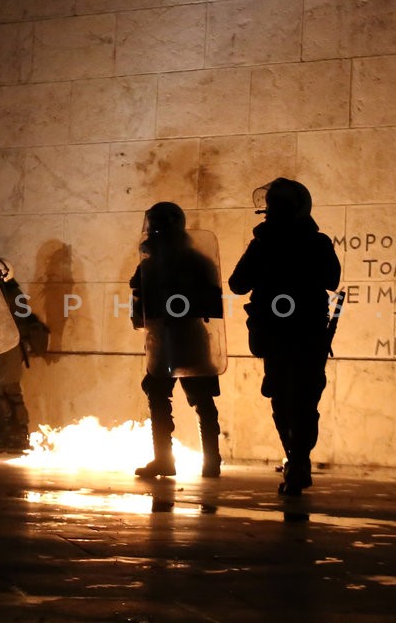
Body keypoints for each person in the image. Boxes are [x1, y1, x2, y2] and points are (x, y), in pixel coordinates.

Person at [228, 178, 341, 496]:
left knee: (289, 400)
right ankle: (298, 461)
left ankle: (297, 461)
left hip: (286, 333)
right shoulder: (311, 242)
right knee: (297, 401)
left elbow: (238, 283)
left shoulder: (269, 243)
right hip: (296, 333)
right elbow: (238, 283)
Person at [130, 202, 225, 478]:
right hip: (176, 336)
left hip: (180, 335)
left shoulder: (159, 264)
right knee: (188, 398)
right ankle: (206, 461)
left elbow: (210, 302)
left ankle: (171, 459)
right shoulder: (193, 260)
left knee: (176, 396)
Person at [0, 256, 48, 452]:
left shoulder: (10, 293)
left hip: (7, 349)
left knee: (8, 391)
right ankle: (8, 431)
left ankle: (18, 433)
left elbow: (17, 319)